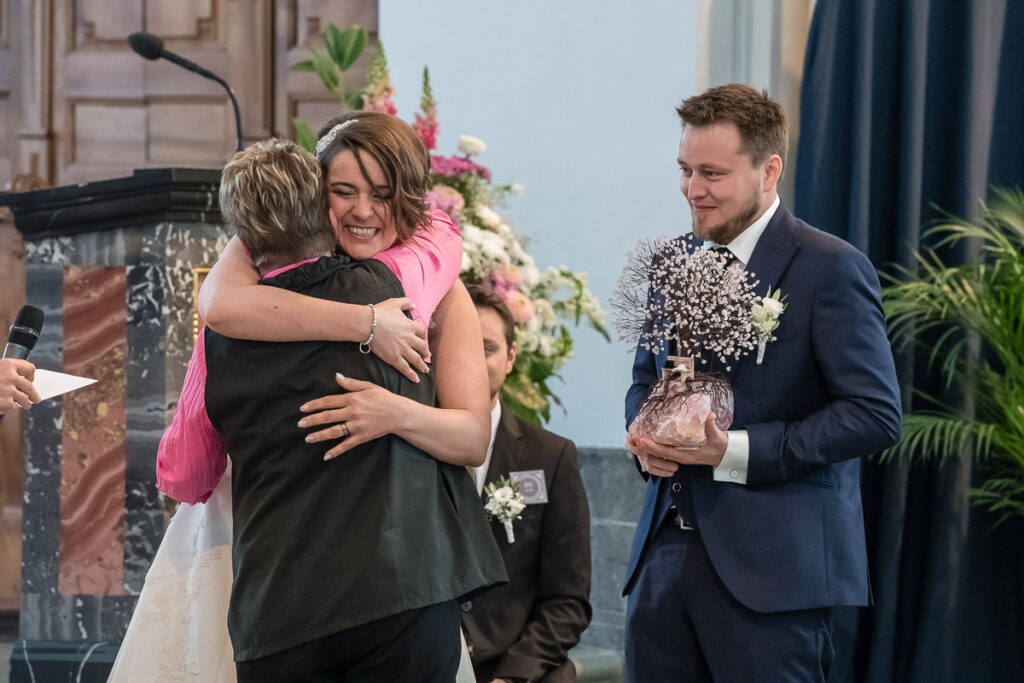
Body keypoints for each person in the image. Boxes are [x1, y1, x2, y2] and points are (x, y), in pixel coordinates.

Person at [109, 117, 504, 683]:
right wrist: (367, 322)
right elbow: (217, 304)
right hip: (285, 587)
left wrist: (394, 412)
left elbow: (471, 436)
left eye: (384, 195)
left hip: (395, 581)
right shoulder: (248, 294)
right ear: (318, 196)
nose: (364, 210)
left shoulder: (438, 289)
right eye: (344, 192)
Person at [623, 84, 902, 682]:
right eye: (685, 170)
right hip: (662, 557)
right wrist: (643, 430)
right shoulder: (673, 262)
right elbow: (646, 377)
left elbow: (874, 414)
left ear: (769, 170)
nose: (691, 190)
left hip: (774, 575)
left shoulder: (829, 267)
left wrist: (736, 450)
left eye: (712, 174)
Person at [459, 286, 591, 683]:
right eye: (459, 346)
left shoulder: (550, 458)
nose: (471, 362)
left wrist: (511, 677)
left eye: (486, 347)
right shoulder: (410, 452)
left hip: (519, 668)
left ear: (511, 358)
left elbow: (567, 600)